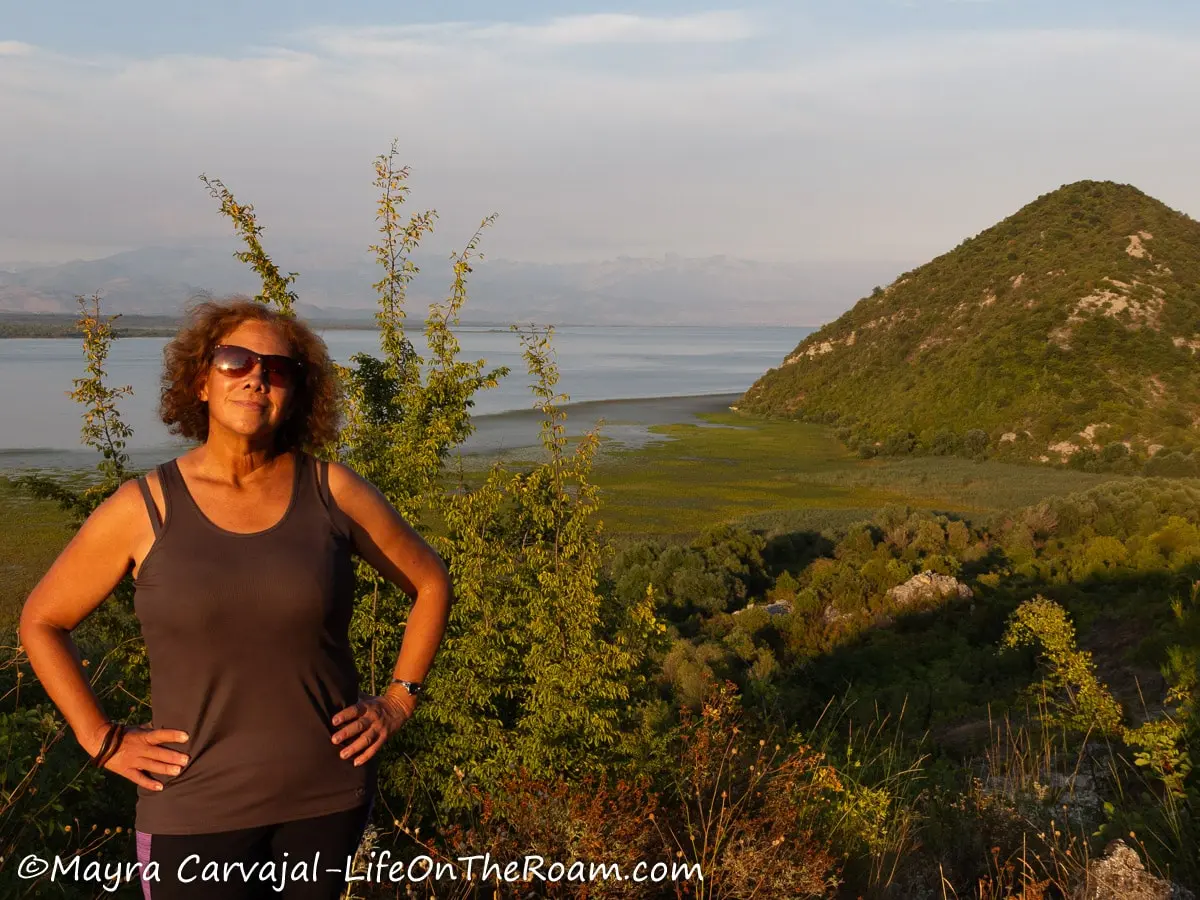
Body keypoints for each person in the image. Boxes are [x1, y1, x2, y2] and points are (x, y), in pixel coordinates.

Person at [19, 298, 453, 899]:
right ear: (200, 380)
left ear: (296, 392)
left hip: (323, 802)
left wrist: (398, 702)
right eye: (235, 360)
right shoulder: (144, 507)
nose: (257, 376)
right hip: (190, 806)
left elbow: (431, 581)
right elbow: (41, 621)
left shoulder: (333, 491)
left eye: (278, 368)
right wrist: (101, 739)